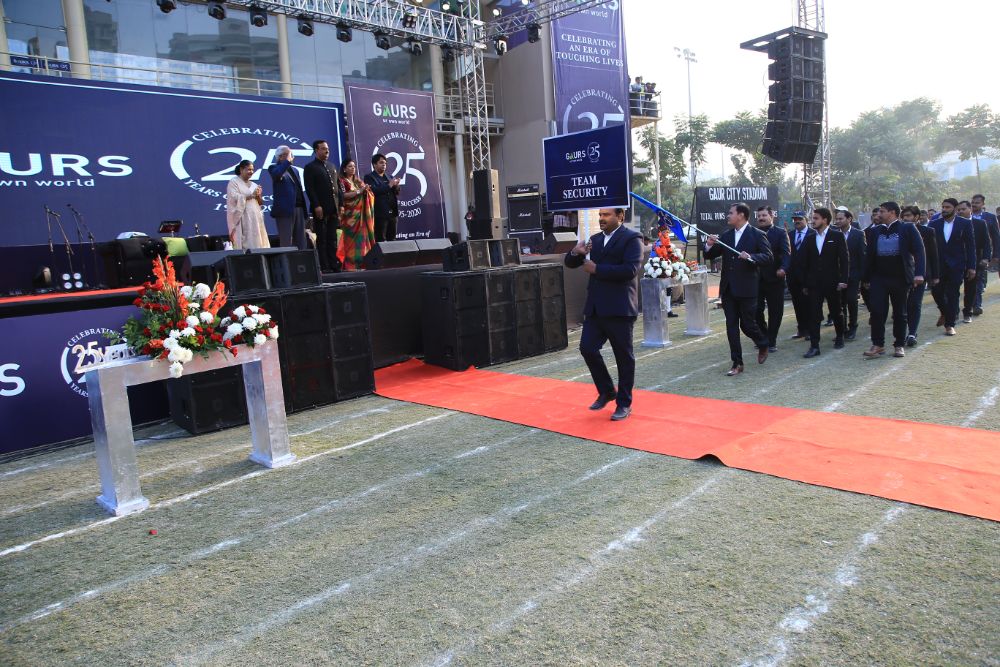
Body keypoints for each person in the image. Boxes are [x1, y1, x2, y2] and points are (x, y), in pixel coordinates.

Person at [564, 208, 643, 421]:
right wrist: (575, 252)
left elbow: (630, 270)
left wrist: (597, 269)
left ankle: (624, 403)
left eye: (606, 215)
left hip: (620, 308)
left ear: (620, 217)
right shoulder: (595, 240)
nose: (601, 219)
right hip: (596, 308)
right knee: (587, 348)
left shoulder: (632, 238)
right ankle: (607, 391)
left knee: (623, 358)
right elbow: (571, 263)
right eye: (600, 215)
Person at [704, 203, 772, 376]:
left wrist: (751, 257)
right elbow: (709, 255)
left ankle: (763, 343)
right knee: (731, 326)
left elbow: (768, 257)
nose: (728, 216)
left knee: (748, 325)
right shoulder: (726, 235)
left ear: (741, 215)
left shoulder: (757, 234)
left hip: (747, 288)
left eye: (731, 213)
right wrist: (709, 245)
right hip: (728, 289)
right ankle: (737, 363)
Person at [862, 201, 925, 358]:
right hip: (879, 278)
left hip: (900, 278)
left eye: (882, 211)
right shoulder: (875, 231)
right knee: (877, 312)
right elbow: (869, 256)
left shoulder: (907, 228)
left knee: (900, 313)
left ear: (892, 213)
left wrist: (919, 274)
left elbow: (919, 251)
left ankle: (899, 344)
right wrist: (866, 277)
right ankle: (878, 345)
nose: (878, 214)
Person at [800, 207, 849, 357]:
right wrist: (805, 284)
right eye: (812, 218)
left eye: (816, 218)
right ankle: (814, 346)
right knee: (814, 314)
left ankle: (840, 336)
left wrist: (843, 280)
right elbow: (804, 262)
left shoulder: (837, 236)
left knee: (836, 311)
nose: (813, 221)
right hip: (814, 284)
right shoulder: (809, 238)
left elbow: (844, 260)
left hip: (833, 282)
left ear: (825, 220)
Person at [929, 198, 976, 336]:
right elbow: (929, 246)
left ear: (955, 209)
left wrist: (971, 266)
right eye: (943, 207)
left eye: (947, 207)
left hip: (957, 265)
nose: (944, 209)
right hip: (938, 265)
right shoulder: (934, 224)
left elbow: (970, 246)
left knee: (953, 294)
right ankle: (944, 312)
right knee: (936, 291)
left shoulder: (965, 223)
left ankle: (950, 325)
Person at [303, 139, 344, 272]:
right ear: (316, 150)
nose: (327, 151)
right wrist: (316, 205)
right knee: (322, 238)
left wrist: (341, 204)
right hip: (321, 209)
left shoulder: (332, 166)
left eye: (328, 149)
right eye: (323, 149)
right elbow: (310, 189)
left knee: (332, 238)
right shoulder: (310, 167)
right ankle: (324, 266)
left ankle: (334, 264)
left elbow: (338, 187)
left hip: (333, 208)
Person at [753, 206, 789, 352]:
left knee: (775, 311)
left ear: (771, 216)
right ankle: (764, 336)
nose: (761, 218)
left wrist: (783, 268)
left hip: (775, 277)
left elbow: (786, 253)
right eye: (759, 216)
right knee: (756, 310)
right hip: (756, 279)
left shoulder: (780, 232)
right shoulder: (753, 233)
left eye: (764, 215)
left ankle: (771, 340)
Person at [902, 205, 938, 347]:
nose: (905, 219)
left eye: (908, 216)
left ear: (916, 217)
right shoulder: (899, 230)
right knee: (904, 305)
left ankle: (912, 333)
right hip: (903, 273)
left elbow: (933, 254)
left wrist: (934, 275)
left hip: (920, 274)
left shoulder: (927, 231)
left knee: (915, 303)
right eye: (904, 216)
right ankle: (902, 332)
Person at [335, 157, 376, 272]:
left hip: (361, 217)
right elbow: (343, 196)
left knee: (361, 241)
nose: (353, 168)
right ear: (344, 169)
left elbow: (367, 192)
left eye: (354, 166)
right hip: (350, 217)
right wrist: (359, 191)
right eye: (350, 166)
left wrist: (366, 191)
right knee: (350, 242)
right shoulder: (342, 181)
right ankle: (350, 265)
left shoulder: (357, 181)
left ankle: (361, 263)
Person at [957, 200, 992, 323]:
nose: (961, 211)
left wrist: (986, 258)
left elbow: (986, 243)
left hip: (974, 260)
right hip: (956, 261)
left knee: (971, 288)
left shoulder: (980, 223)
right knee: (953, 288)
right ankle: (953, 312)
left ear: (970, 209)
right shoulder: (954, 223)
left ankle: (968, 312)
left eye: (963, 209)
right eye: (959, 210)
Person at [267, 145, 308, 250]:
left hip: (299, 208)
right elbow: (277, 175)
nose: (292, 157)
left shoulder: (295, 170)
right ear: (280, 157)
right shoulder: (273, 168)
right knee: (286, 241)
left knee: (301, 241)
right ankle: (286, 260)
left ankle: (301, 259)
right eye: (289, 154)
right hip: (285, 210)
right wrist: (287, 162)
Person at [834, 208, 866, 341]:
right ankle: (842, 330)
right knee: (839, 303)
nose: (838, 221)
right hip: (837, 275)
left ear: (849, 219)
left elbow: (862, 256)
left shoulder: (858, 234)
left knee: (852, 301)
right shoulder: (834, 234)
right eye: (837, 219)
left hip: (853, 275)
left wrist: (862, 276)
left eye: (840, 219)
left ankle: (853, 327)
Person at [225, 160, 269, 250]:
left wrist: (258, 196)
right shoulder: (234, 182)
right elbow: (233, 197)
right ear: (241, 169)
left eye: (252, 170)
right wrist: (250, 195)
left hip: (255, 218)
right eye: (248, 169)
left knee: (257, 242)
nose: (251, 172)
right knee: (245, 243)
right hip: (242, 217)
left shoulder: (254, 185)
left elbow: (260, 203)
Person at [968, 194, 998, 316]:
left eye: (977, 202)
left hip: (981, 254)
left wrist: (995, 255)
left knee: (978, 280)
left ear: (983, 204)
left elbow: (996, 237)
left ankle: (977, 305)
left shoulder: (990, 217)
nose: (974, 204)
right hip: (964, 254)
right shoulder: (964, 216)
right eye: (973, 202)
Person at [786, 211, 813, 340]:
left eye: (799, 219)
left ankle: (811, 330)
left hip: (808, 276)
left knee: (809, 303)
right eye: (795, 219)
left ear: (806, 220)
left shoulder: (813, 234)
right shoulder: (790, 235)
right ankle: (801, 329)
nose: (797, 221)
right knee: (797, 303)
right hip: (793, 277)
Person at [365, 153, 401, 242]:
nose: (384, 165)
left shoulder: (389, 176)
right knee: (381, 240)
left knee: (392, 239)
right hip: (380, 213)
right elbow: (374, 191)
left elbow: (396, 192)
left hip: (392, 212)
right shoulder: (369, 177)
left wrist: (396, 186)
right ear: (374, 164)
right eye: (381, 163)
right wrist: (389, 185)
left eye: (385, 163)